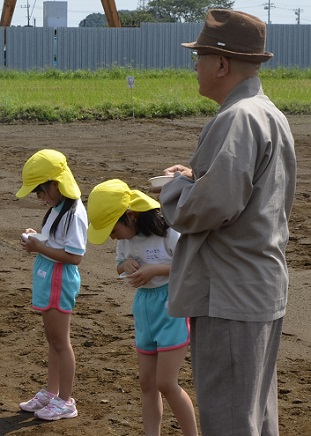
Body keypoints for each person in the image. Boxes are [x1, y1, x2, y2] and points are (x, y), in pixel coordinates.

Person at [158, 9, 297, 436]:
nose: (194, 65)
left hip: (229, 293)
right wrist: (195, 178)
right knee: (255, 415)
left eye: (199, 56)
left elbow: (209, 208)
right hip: (254, 286)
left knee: (231, 420)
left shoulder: (238, 118)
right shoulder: (265, 111)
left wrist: (173, 189)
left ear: (221, 63)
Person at [87, 179, 198, 436]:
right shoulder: (125, 240)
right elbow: (119, 265)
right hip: (144, 307)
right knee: (147, 383)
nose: (112, 237)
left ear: (131, 215)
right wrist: (125, 266)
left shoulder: (169, 231)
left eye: (112, 230)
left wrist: (155, 270)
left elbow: (190, 266)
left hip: (172, 306)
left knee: (166, 383)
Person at [16, 149, 88, 421]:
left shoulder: (74, 212)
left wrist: (39, 248)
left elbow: (75, 256)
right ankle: (52, 391)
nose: (38, 196)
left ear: (55, 185)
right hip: (50, 275)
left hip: (60, 277)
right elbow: (57, 242)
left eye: (40, 190)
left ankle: (65, 401)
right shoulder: (59, 208)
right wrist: (40, 239)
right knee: (53, 341)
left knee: (60, 342)